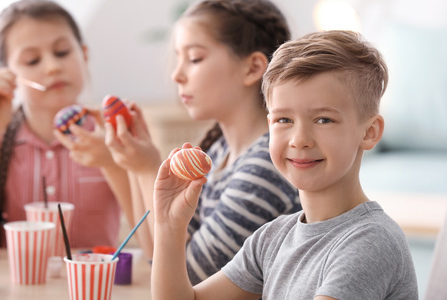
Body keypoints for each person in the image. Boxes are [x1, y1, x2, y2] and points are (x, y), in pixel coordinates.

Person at [150, 30, 419, 299]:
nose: (299, 140)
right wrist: (169, 226)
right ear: (270, 125)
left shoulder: (371, 243)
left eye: (324, 120)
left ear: (369, 132)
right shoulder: (271, 238)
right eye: (284, 120)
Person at [105, 0, 301, 284]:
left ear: (252, 67)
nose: (177, 75)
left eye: (194, 58)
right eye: (178, 58)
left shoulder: (266, 164)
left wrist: (149, 168)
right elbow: (157, 255)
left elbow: (190, 276)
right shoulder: (219, 152)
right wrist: (136, 166)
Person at [0, 0, 133, 248]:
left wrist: (112, 163)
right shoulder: (1, 137)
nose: (53, 67)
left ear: (84, 54)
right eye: (32, 61)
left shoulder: (114, 137)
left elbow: (149, 226)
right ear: (7, 74)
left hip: (94, 287)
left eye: (62, 53)